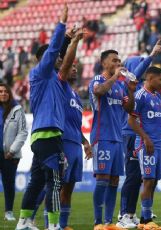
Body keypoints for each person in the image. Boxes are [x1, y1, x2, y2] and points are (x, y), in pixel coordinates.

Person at [16, 5, 70, 230]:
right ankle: (54, 226)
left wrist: (68, 41)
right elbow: (53, 51)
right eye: (56, 57)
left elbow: (61, 54)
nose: (60, 60)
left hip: (43, 135)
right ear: (45, 59)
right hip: (48, 134)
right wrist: (62, 25)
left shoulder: (52, 81)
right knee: (55, 182)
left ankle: (23, 222)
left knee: (37, 181)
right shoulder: (41, 72)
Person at [117, 39, 161, 229]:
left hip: (135, 134)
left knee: (139, 177)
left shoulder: (142, 91)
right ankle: (123, 215)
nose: (145, 67)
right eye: (141, 64)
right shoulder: (130, 88)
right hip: (131, 135)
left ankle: (131, 212)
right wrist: (151, 55)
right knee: (133, 176)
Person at [89, 49, 136, 230]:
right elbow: (99, 91)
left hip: (118, 138)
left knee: (115, 180)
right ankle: (98, 222)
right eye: (114, 60)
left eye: (119, 60)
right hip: (102, 136)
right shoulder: (98, 80)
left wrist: (130, 91)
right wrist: (116, 76)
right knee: (102, 178)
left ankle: (109, 222)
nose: (118, 63)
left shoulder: (120, 86)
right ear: (104, 63)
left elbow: (129, 108)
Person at [128, 66, 161, 230]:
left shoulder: (156, 96)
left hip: (157, 144)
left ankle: (146, 217)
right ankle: (146, 221)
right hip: (145, 144)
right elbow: (131, 121)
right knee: (147, 180)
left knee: (153, 181)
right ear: (150, 78)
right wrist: (145, 138)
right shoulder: (140, 96)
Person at [59, 28, 93, 230]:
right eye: (71, 66)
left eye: (75, 67)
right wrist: (73, 42)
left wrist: (85, 142)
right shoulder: (60, 87)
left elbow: (75, 124)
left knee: (69, 188)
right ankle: (50, 223)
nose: (74, 69)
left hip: (75, 144)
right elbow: (62, 65)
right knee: (56, 187)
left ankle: (63, 225)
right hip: (61, 143)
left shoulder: (76, 96)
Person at [0, 83, 28, 221]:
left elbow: (23, 132)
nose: (3, 93)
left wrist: (12, 151)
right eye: (0, 91)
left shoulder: (17, 109)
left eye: (5, 91)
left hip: (8, 154)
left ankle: (9, 212)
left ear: (9, 93)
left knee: (9, 184)